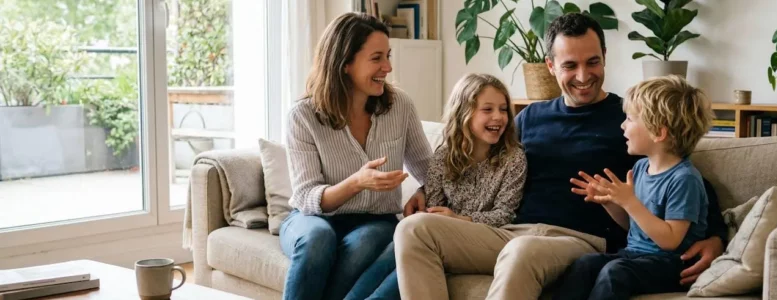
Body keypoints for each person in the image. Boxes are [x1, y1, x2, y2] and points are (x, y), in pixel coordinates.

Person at [395, 13, 729, 300]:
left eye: (592, 62)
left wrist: (715, 236)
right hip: (513, 232)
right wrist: (426, 189)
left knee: (521, 252)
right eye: (570, 65)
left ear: (605, 57)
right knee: (413, 230)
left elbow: (685, 177)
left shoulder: (634, 121)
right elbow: (477, 165)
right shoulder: (528, 119)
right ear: (551, 66)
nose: (584, 76)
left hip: (579, 242)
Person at [279, 12, 433, 300]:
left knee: (370, 239)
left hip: (376, 220)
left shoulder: (400, 106)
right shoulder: (302, 116)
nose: (387, 67)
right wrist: (357, 183)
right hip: (311, 218)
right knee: (317, 239)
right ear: (345, 63)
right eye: (376, 58)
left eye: (388, 56)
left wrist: (424, 190)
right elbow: (306, 198)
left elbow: (430, 170)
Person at [346, 73, 527, 300]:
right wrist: (436, 210)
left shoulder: (513, 158)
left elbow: (506, 214)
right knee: (397, 249)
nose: (498, 117)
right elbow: (432, 205)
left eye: (503, 110)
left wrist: (461, 219)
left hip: (484, 239)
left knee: (406, 239)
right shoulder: (444, 156)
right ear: (464, 113)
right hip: (441, 235)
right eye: (487, 109)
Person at [553, 75, 714, 299]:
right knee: (586, 264)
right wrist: (611, 202)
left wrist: (630, 201)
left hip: (673, 264)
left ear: (659, 132)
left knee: (615, 273)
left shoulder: (684, 179)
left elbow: (670, 240)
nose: (622, 125)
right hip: (635, 255)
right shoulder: (640, 168)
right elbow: (634, 227)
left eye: (629, 119)